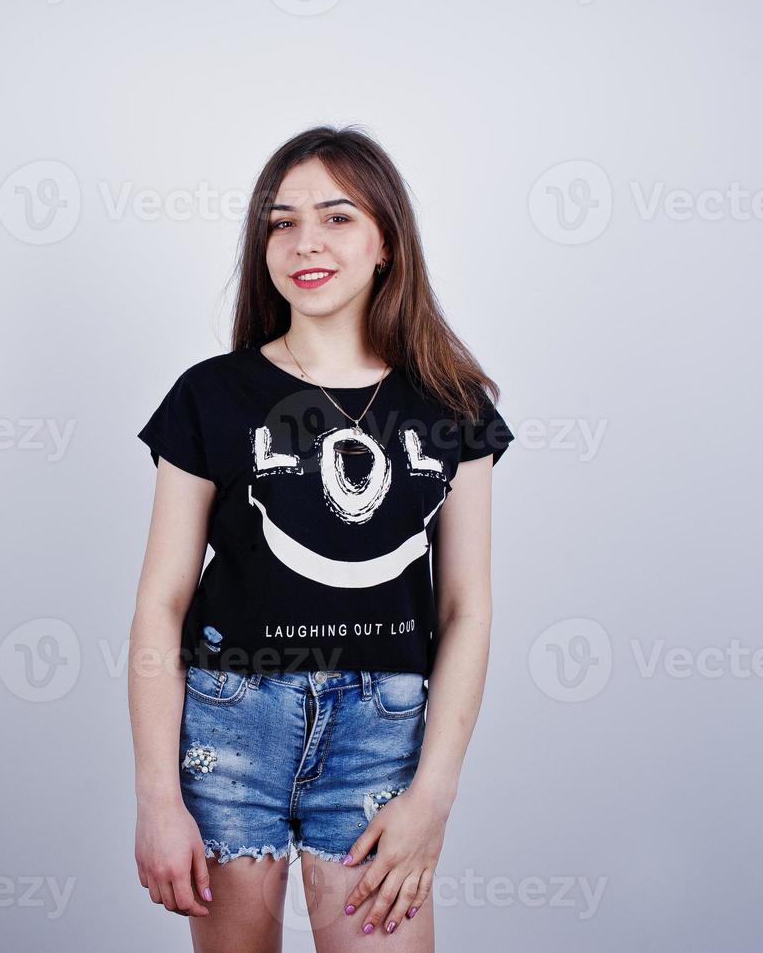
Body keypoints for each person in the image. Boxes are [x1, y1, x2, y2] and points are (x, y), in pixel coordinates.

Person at [129, 125, 514, 952]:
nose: (305, 242)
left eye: (337, 218)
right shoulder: (212, 396)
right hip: (231, 723)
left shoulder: (452, 403)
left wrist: (432, 799)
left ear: (385, 242)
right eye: (280, 221)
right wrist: (158, 798)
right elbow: (161, 603)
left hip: (380, 737)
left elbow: (467, 611)